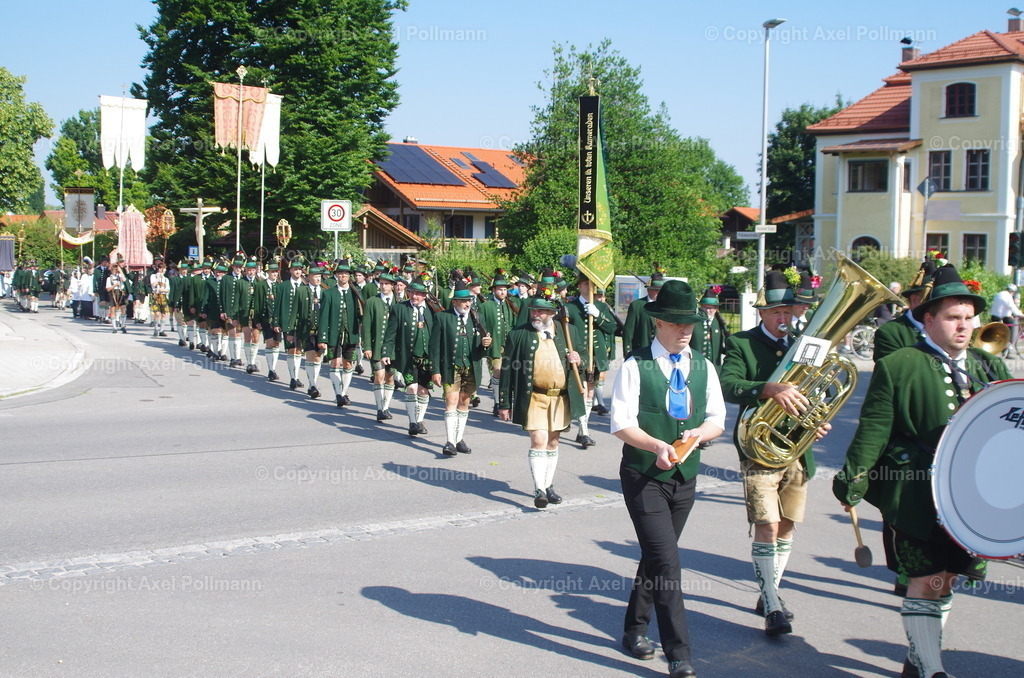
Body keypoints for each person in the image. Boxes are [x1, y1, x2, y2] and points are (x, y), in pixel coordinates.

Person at [833, 264, 1010, 678]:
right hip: (915, 492)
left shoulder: (990, 367)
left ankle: (918, 659)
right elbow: (874, 428)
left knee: (946, 579)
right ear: (928, 319)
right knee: (924, 577)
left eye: (969, 317)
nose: (963, 326)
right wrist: (853, 480)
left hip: (973, 497)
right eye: (953, 317)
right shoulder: (900, 364)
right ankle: (931, 668)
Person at [609, 280, 725, 678]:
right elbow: (621, 423)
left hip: (685, 477)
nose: (686, 330)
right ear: (658, 322)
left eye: (690, 323)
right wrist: (656, 444)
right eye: (677, 323)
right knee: (667, 562)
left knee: (657, 555)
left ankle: (634, 630)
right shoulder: (635, 365)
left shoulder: (703, 366)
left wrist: (698, 434)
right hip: (643, 477)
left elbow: (716, 420)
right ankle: (680, 654)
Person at [720, 269, 831, 636]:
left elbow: (819, 392)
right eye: (776, 312)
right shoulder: (742, 343)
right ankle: (770, 604)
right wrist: (767, 388)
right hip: (759, 448)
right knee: (766, 524)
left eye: (788, 312)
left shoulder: (807, 344)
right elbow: (729, 385)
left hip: (797, 447)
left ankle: (772, 589)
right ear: (762, 313)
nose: (784, 318)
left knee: (786, 524)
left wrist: (819, 418)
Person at [498, 293, 586, 508]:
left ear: (552, 313)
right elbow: (507, 369)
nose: (536, 315)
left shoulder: (569, 331)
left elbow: (584, 359)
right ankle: (539, 489)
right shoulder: (519, 335)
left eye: (541, 311)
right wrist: (504, 402)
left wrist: (579, 359)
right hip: (534, 396)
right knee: (538, 440)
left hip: (561, 398)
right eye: (534, 311)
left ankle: (548, 485)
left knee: (553, 442)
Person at [430, 279, 492, 456]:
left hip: (471, 367)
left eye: (469, 300)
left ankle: (459, 439)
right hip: (450, 367)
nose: (467, 303)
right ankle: (450, 441)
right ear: (454, 302)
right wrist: (435, 370)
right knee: (451, 401)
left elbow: (481, 346)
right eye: (463, 301)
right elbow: (434, 347)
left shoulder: (476, 318)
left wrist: (486, 344)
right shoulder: (442, 317)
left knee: (464, 402)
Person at [563, 274, 617, 448]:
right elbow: (563, 332)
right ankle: (582, 429)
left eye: (592, 283)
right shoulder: (570, 307)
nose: (590, 287)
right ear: (579, 286)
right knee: (581, 390)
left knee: (590, 392)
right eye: (586, 283)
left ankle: (583, 430)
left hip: (595, 357)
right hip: (579, 356)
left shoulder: (601, 306)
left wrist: (598, 315)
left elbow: (611, 328)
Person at [383, 276, 436, 436]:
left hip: (427, 357)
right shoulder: (399, 308)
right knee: (411, 388)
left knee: (423, 390)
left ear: (425, 295)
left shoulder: (433, 310)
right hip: (407, 356)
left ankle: (419, 419)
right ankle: (413, 422)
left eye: (418, 294)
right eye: (412, 293)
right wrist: (386, 351)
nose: (414, 296)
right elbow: (390, 333)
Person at [318, 260, 363, 406]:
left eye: (345, 273)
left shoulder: (355, 293)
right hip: (333, 336)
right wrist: (322, 338)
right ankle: (338, 394)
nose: (343, 276)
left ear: (349, 276)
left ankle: (344, 392)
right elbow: (323, 317)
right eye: (340, 273)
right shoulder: (329, 293)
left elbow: (360, 314)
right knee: (335, 364)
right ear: (336, 275)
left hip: (351, 334)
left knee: (348, 364)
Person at [478, 269, 519, 417]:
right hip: (495, 345)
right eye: (500, 289)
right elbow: (481, 326)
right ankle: (497, 402)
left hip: (510, 346)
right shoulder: (485, 306)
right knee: (498, 372)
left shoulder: (511, 305)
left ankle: (506, 402)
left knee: (510, 374)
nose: (502, 292)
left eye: (504, 289)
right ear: (494, 290)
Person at [360, 268, 397, 420]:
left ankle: (386, 406)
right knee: (379, 376)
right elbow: (366, 326)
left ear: (393, 285)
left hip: (394, 349)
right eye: (381, 284)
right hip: (377, 347)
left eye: (387, 284)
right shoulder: (371, 302)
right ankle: (380, 409)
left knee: (390, 377)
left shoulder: (400, 303)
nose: (383, 287)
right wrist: (366, 346)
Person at [275, 259, 308, 390]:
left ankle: (297, 375)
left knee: (299, 350)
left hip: (301, 323)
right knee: (290, 349)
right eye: (295, 269)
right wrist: (276, 322)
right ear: (290, 271)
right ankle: (292, 378)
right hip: (288, 322)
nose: (297, 271)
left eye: (299, 269)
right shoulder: (283, 286)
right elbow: (277, 306)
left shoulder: (306, 286)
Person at [622, 266, 665, 356]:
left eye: (660, 290)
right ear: (648, 289)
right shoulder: (637, 306)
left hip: (662, 354)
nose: (658, 293)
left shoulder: (666, 307)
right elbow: (628, 333)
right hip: (640, 352)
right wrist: (627, 353)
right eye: (655, 290)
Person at [688, 285, 729, 370]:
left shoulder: (719, 324)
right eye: (704, 307)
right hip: (695, 367)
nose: (707, 310)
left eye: (710, 308)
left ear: (716, 308)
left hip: (715, 368)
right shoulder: (694, 322)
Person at [149, 260, 171, 338]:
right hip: (155, 295)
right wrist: (158, 278)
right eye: (162, 269)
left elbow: (168, 289)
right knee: (157, 313)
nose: (163, 270)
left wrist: (163, 290)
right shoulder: (153, 276)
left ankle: (162, 330)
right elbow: (153, 285)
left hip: (163, 296)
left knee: (163, 314)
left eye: (164, 269)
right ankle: (155, 328)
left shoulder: (166, 279)